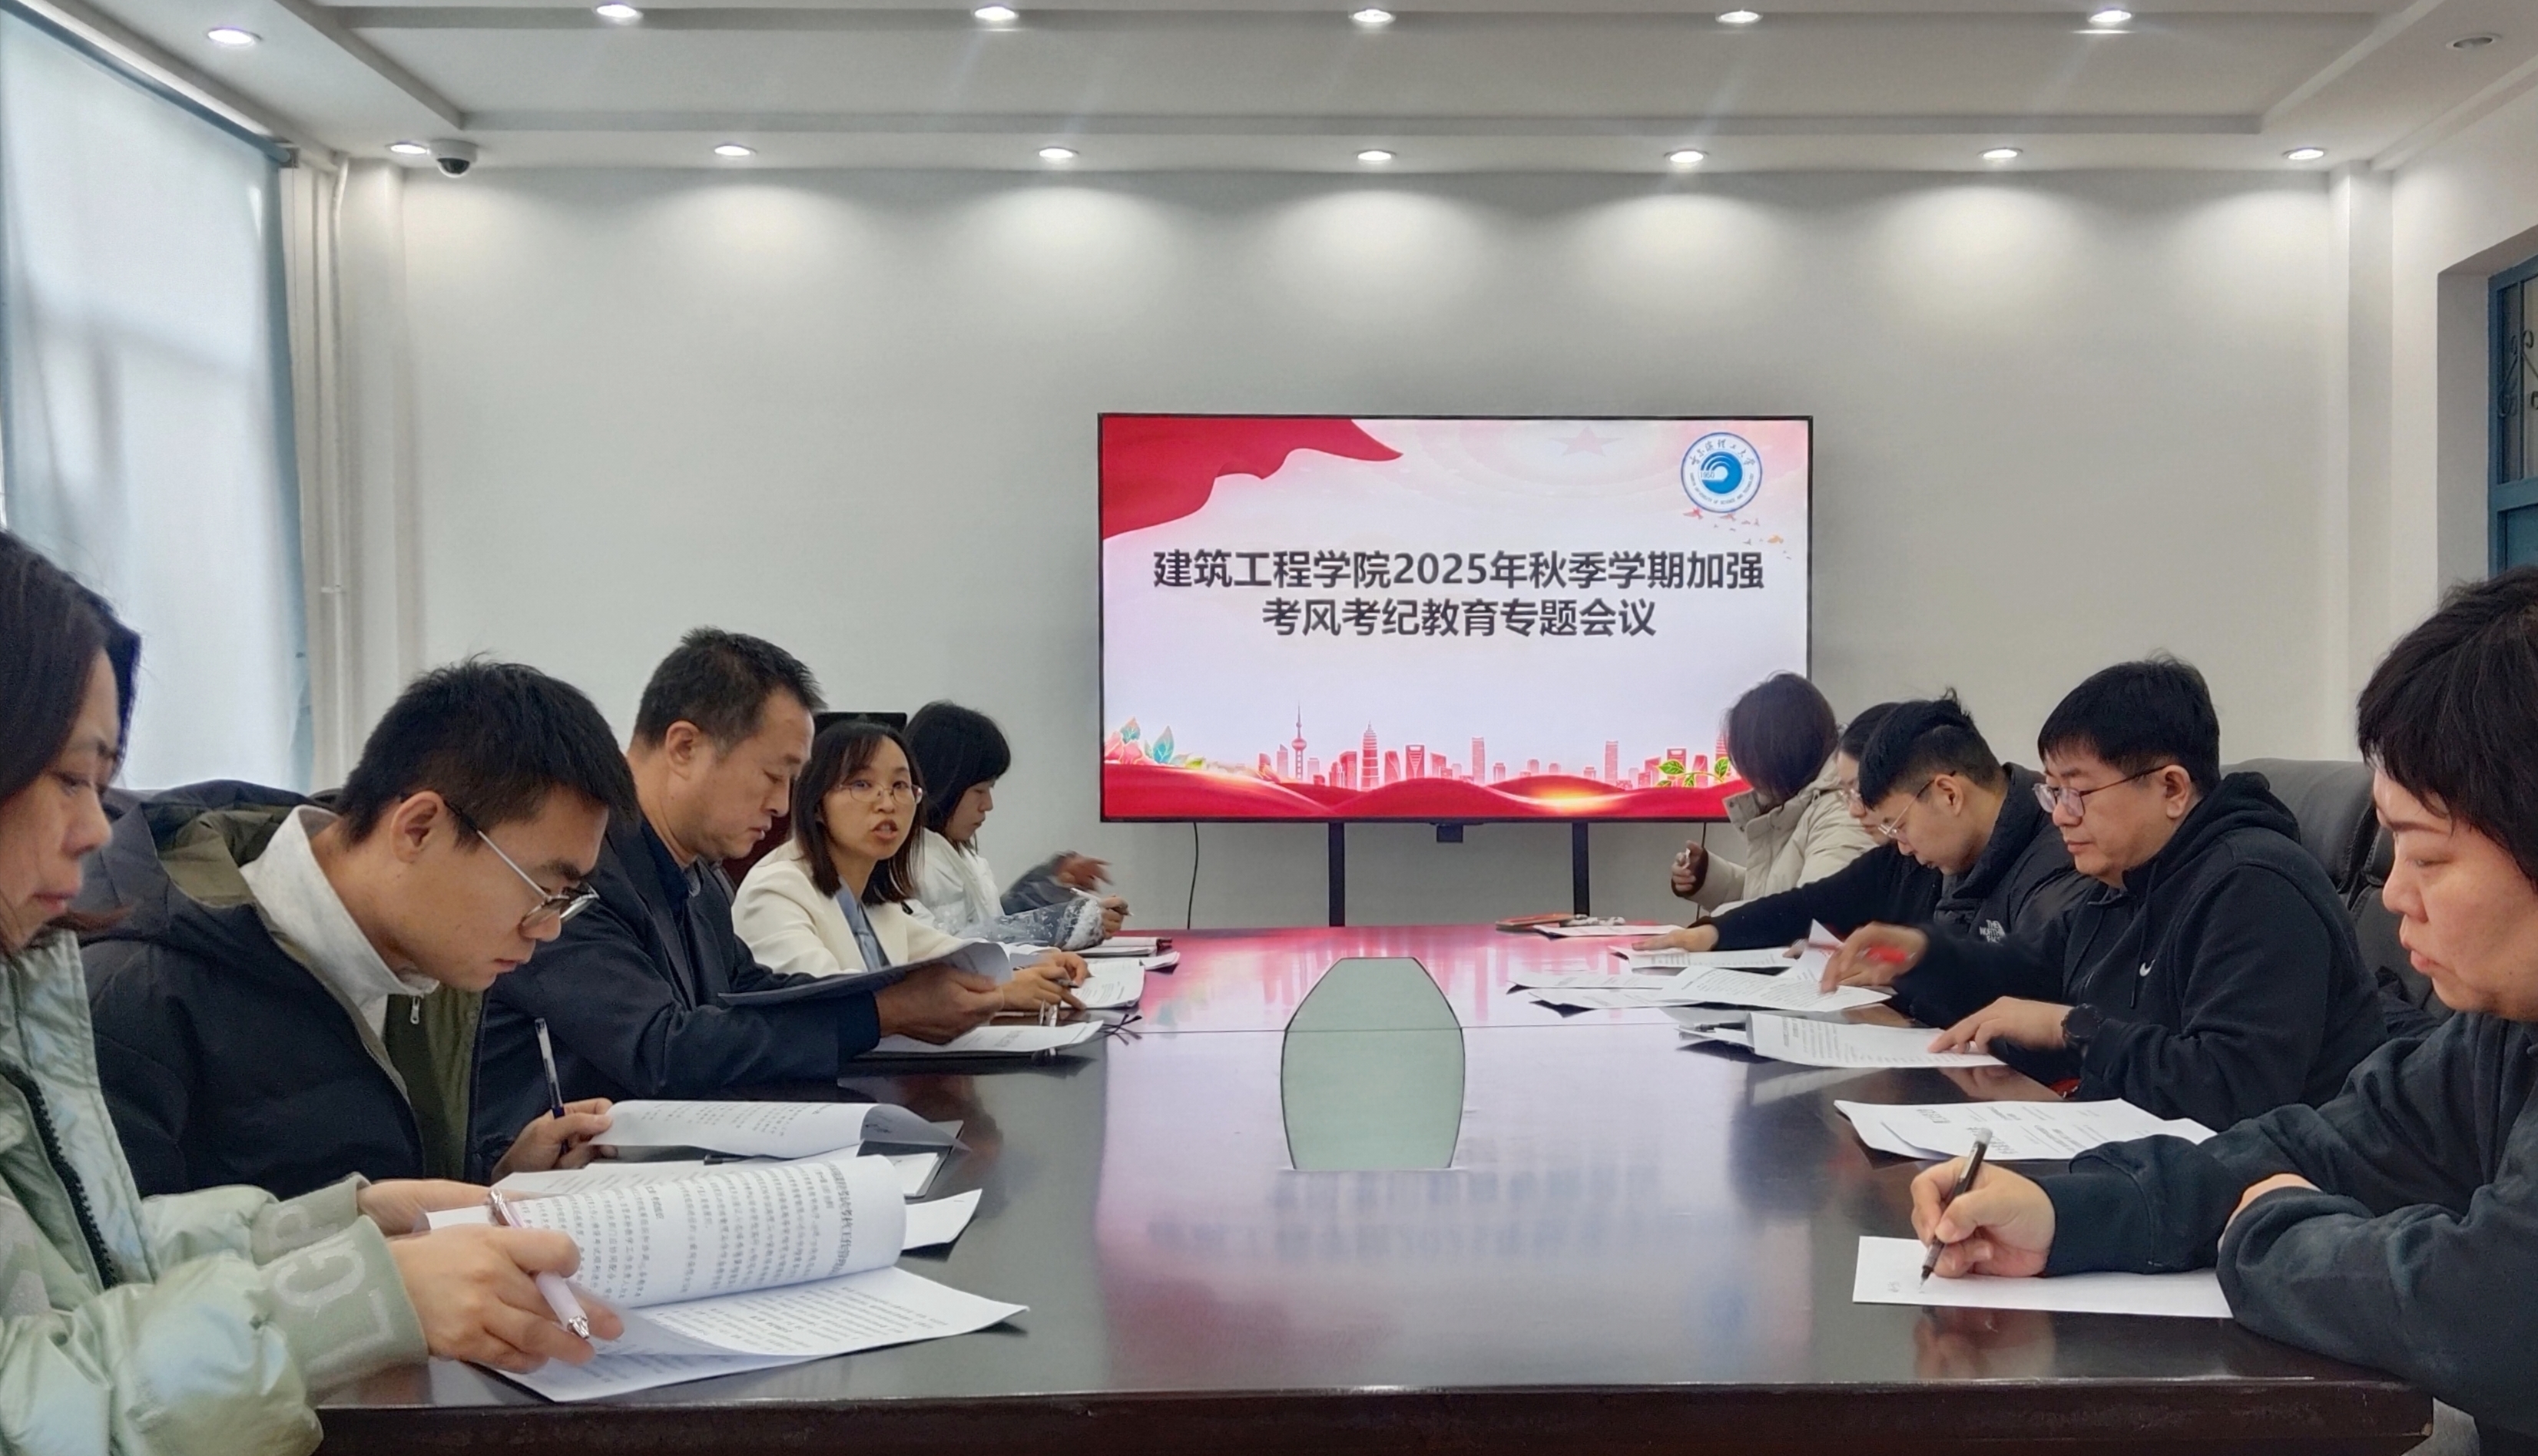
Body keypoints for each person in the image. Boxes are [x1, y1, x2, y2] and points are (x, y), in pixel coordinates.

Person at [0, 531, 616, 1453]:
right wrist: (359, 1299)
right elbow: (39, 1395)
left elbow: (87, 1248)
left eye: (105, 781)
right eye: (69, 778)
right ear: (418, 828)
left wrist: (346, 1225)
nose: (95, 827)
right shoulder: (131, 987)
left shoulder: (440, 965)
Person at [1904, 568, 2538, 1454]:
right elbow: (2321, 1145)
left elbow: (2492, 1312)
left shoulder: (2251, 880)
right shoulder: (2500, 1032)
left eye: (2427, 858)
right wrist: (2059, 1214)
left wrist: (2270, 1227)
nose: (2393, 894)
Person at [84, 662, 632, 1199]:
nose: (548, 929)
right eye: (542, 889)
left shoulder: (427, 961)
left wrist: (498, 1187)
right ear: (418, 829)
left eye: (566, 900)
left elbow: (393, 1197)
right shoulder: (139, 990)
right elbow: (124, 1255)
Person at [470, 630, 1005, 1177]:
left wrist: (889, 995)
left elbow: (749, 990)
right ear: (685, 748)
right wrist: (883, 1012)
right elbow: (660, 1050)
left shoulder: (701, 877)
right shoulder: (575, 872)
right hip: (556, 1187)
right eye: (773, 776)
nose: (782, 805)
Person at [1825, 659, 2387, 1129]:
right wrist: (1919, 959)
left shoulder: (2255, 885)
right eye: (2052, 793)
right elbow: (2022, 974)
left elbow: (2230, 1088)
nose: (2061, 816)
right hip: (2125, 1149)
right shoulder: (2125, 883)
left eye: (2078, 792)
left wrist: (2072, 1029)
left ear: (2172, 788)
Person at [1644, 697, 2088, 965]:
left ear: (1949, 795)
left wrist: (1906, 966)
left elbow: (2024, 984)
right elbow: (1816, 902)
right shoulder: (1938, 851)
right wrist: (1714, 932)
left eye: (1898, 823)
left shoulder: (2059, 861)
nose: (1898, 843)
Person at [734, 719, 1085, 1008]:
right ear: (816, 804)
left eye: (900, 785)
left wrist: (1037, 960)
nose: (887, 803)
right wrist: (1000, 995)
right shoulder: (776, 891)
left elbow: (947, 954)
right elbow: (828, 1005)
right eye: (862, 784)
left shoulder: (872, 899)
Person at [1640, 703, 1929, 951]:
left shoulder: (1837, 815)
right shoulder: (1882, 856)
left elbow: (1818, 918)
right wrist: (1713, 910)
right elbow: (1802, 903)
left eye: (1857, 791)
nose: (1854, 809)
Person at [902, 701, 1126, 948]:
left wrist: (1051, 884)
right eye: (979, 791)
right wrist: (1073, 922)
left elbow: (992, 922)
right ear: (943, 783)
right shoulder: (908, 866)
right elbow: (954, 949)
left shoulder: (962, 858)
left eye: (990, 789)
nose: (988, 805)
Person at [1670, 673, 1874, 912]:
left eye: (1750, 763)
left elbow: (1812, 915)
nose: (1749, 778)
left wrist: (1718, 928)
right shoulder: (1802, 801)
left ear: (1776, 759)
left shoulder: (1841, 814)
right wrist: (1707, 876)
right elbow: (1771, 897)